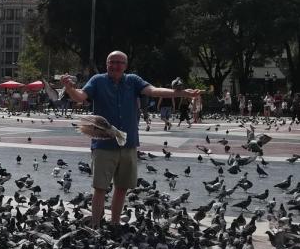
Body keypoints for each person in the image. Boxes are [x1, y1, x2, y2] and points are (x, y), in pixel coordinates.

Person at [60, 51, 200, 228]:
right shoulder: (97, 80)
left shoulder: (133, 80)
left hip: (128, 143)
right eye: (112, 62)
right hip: (103, 143)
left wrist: (180, 94)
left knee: (122, 187)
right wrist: (69, 88)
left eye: (120, 62)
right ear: (107, 63)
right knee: (100, 188)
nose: (116, 65)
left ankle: (115, 223)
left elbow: (153, 91)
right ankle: (95, 225)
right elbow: (80, 97)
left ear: (125, 66)